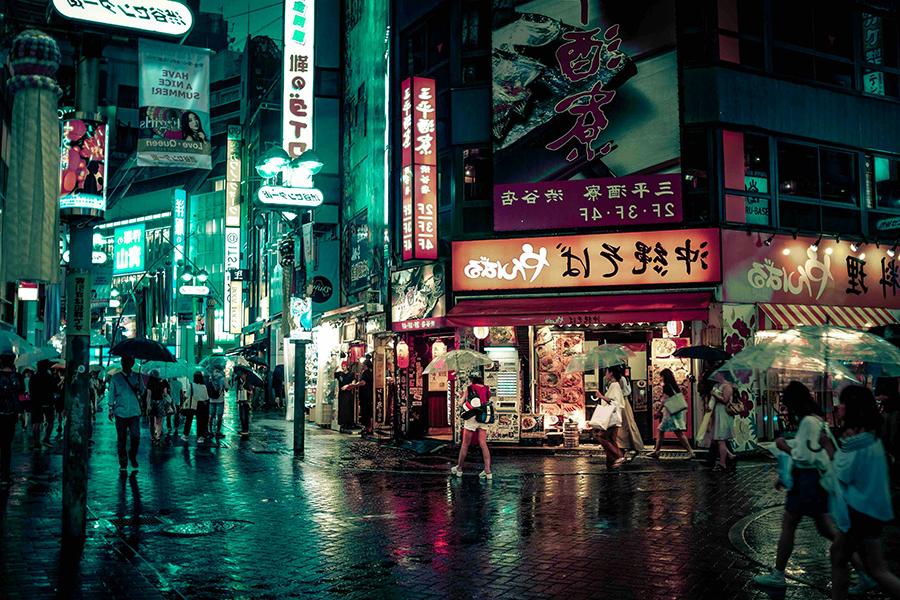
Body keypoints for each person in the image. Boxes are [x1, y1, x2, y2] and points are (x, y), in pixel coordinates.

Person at [754, 382, 845, 589]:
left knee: (790, 524)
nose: (786, 408)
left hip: (807, 482)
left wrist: (782, 446)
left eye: (787, 403)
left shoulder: (808, 422)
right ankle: (863, 568)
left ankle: (778, 574)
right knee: (826, 528)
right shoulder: (816, 420)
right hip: (812, 481)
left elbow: (804, 456)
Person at [830, 385, 900, 600]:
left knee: (876, 569)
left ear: (852, 407)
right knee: (842, 557)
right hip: (870, 510)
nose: (838, 407)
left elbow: (843, 473)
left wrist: (829, 447)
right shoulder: (870, 436)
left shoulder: (858, 441)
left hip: (859, 512)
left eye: (842, 403)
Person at [451, 373, 493, 479]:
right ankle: (488, 471)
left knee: (465, 444)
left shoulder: (469, 388)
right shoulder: (486, 388)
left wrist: (462, 397)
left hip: (472, 417)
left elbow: (461, 403)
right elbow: (486, 400)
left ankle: (459, 469)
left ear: (472, 379)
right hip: (483, 417)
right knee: (483, 444)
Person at [106, 356, 144, 472]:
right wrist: (111, 408)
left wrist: (139, 388)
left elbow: (143, 391)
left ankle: (132, 454)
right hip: (120, 412)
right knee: (121, 438)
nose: (126, 364)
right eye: (124, 362)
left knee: (136, 436)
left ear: (132, 364)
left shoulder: (137, 377)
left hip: (134, 411)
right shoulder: (116, 378)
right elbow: (111, 393)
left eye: (128, 362)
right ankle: (123, 461)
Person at [650, 368, 694, 459]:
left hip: (670, 413)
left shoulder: (666, 386)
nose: (661, 378)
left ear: (664, 376)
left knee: (677, 432)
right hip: (675, 411)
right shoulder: (674, 386)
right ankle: (656, 451)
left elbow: (663, 401)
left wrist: (658, 412)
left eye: (661, 376)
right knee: (662, 430)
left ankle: (690, 451)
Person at [607, 366, 643, 461]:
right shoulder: (621, 379)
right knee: (625, 426)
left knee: (624, 426)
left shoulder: (620, 380)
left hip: (622, 403)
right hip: (623, 403)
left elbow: (620, 394)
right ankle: (625, 448)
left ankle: (627, 448)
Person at [0, 345, 23, 487]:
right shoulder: (17, 378)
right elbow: (21, 394)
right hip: (11, 415)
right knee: (6, 446)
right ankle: (5, 475)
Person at [710, 372, 737, 471]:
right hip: (718, 414)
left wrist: (715, 395)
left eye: (717, 374)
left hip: (723, 414)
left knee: (721, 439)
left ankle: (722, 464)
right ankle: (730, 456)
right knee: (716, 439)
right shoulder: (717, 385)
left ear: (722, 375)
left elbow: (725, 400)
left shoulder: (727, 386)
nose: (716, 376)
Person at [29, 360, 56, 448]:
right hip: (48, 402)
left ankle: (37, 442)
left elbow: (31, 390)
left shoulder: (33, 377)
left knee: (36, 423)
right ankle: (46, 438)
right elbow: (54, 389)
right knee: (50, 421)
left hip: (36, 403)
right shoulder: (50, 377)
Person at [145, 370, 170, 446]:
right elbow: (165, 394)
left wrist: (148, 405)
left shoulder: (150, 382)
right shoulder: (164, 381)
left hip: (152, 403)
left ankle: (153, 436)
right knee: (159, 421)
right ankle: (157, 436)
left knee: (151, 421)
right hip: (160, 402)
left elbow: (148, 395)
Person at [181, 372, 207, 441]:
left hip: (192, 404)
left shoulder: (191, 385)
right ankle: (200, 437)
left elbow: (186, 395)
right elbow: (206, 398)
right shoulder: (204, 386)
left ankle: (185, 435)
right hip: (201, 405)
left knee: (189, 420)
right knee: (200, 421)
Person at [354, 358, 374, 435]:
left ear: (365, 365)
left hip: (366, 396)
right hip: (368, 395)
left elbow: (363, 382)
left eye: (363, 364)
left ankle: (368, 428)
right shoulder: (370, 373)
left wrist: (353, 385)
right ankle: (368, 428)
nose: (361, 366)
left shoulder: (366, 373)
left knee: (366, 412)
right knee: (367, 412)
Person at [335, 362, 355, 432]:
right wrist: (336, 368)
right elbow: (333, 374)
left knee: (348, 408)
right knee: (342, 408)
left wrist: (347, 386)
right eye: (342, 366)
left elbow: (353, 383)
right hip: (342, 394)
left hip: (348, 393)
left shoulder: (351, 374)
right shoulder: (340, 374)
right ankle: (342, 424)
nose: (343, 367)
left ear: (347, 366)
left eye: (344, 366)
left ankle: (349, 424)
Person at [206, 368, 226, 440]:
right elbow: (227, 388)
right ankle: (217, 432)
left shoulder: (210, 377)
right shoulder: (222, 378)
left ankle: (210, 431)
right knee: (219, 416)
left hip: (211, 399)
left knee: (211, 416)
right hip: (220, 400)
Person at [236, 371, 252, 437]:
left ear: (245, 375)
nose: (242, 376)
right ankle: (243, 429)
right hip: (241, 401)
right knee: (241, 416)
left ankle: (245, 430)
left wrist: (245, 390)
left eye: (243, 375)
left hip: (246, 402)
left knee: (245, 416)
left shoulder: (248, 383)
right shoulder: (240, 382)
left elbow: (251, 392)